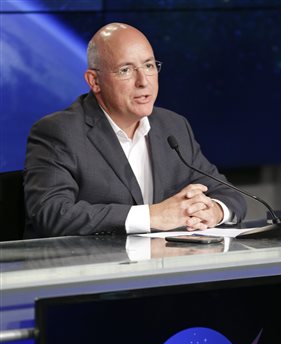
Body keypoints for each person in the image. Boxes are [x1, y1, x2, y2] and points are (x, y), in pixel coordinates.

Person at [24, 22, 246, 238]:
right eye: (126, 70)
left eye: (149, 66)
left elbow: (231, 195)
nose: (143, 81)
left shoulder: (173, 126)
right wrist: (152, 216)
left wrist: (213, 211)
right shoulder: (59, 132)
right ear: (94, 81)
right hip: (92, 269)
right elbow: (52, 213)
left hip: (165, 268)